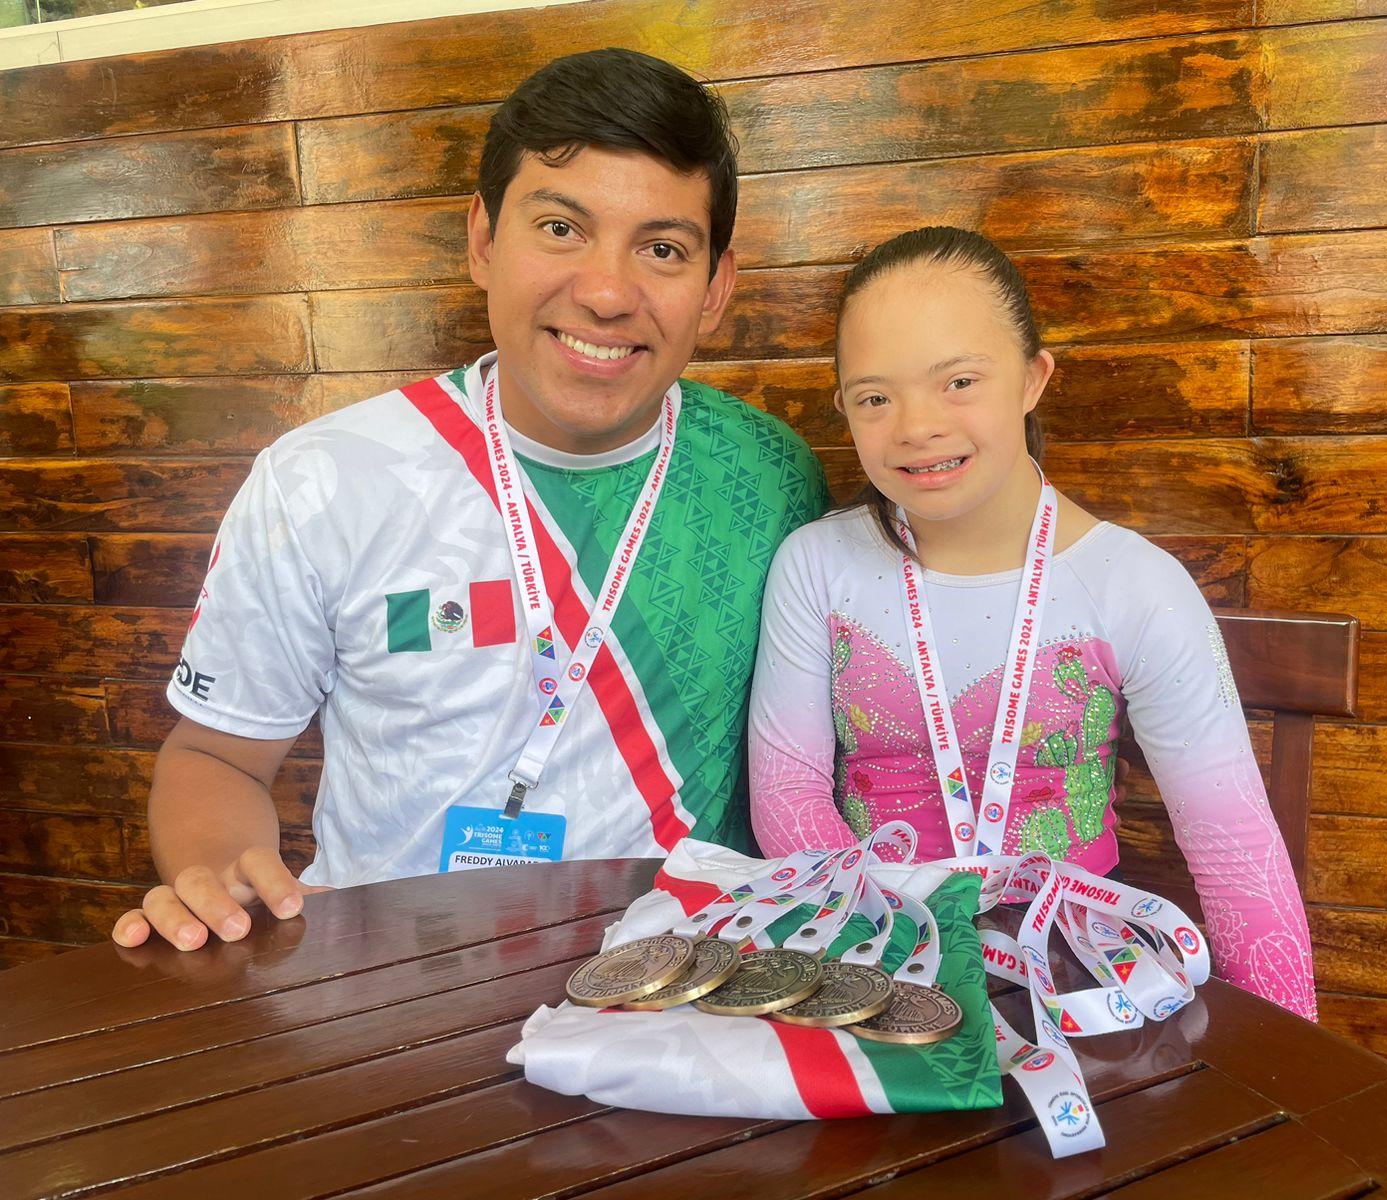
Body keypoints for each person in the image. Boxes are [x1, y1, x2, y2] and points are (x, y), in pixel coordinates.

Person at [112, 49, 828, 952]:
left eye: (662, 248)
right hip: (396, 1015)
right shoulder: (324, 480)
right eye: (561, 228)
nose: (607, 293)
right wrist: (222, 883)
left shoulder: (772, 477)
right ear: (484, 241)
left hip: (686, 1008)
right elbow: (214, 756)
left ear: (716, 286)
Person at [747, 226, 1316, 1019]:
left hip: (1075, 974)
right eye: (875, 397)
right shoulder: (817, 566)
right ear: (844, 405)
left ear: (1031, 378)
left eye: (959, 382)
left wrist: (1285, 1082)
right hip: (867, 963)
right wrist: (906, 945)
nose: (916, 425)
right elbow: (787, 796)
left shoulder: (1138, 587)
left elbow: (1235, 853)